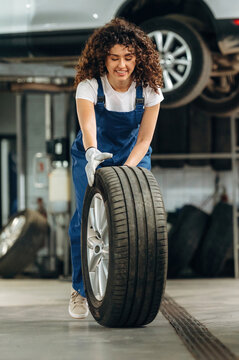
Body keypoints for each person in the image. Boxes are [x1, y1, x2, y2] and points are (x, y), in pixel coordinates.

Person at [68, 17, 164, 319]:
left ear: (139, 58)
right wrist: (94, 153)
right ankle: (81, 290)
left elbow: (145, 137)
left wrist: (126, 170)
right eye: (114, 58)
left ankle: (137, 288)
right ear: (103, 59)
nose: (122, 65)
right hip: (91, 152)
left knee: (141, 219)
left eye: (128, 57)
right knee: (84, 221)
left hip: (133, 153)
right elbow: (88, 127)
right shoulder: (89, 87)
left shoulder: (149, 90)